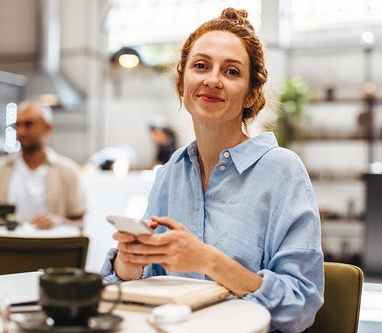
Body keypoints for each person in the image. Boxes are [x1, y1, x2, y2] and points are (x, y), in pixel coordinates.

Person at [101, 8, 323, 333]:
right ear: (182, 82)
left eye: (231, 72)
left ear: (251, 94)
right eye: (201, 65)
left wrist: (208, 260)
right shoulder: (170, 174)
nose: (212, 80)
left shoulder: (281, 171)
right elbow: (143, 282)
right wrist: (129, 262)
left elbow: (299, 306)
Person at [0, 100, 86, 229]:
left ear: (47, 127)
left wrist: (59, 222)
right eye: (17, 125)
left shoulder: (67, 171)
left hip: (51, 247)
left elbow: (80, 223)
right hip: (6, 246)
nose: (21, 132)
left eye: (28, 125)